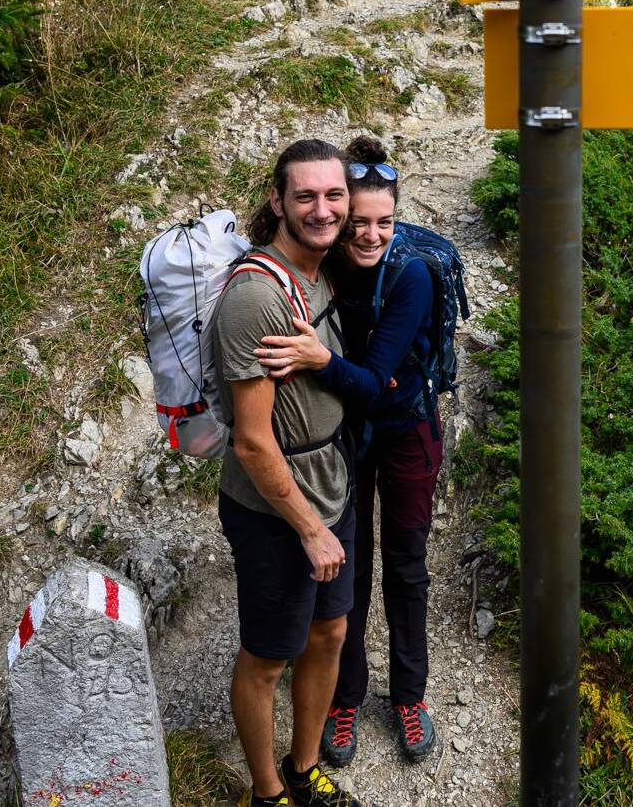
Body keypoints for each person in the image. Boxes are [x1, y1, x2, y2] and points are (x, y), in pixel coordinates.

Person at [253, 135, 443, 768]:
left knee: (407, 564)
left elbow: (367, 382)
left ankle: (409, 696)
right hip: (349, 437)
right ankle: (346, 694)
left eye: (384, 222)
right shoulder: (325, 265)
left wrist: (319, 358)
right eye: (357, 221)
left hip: (405, 428)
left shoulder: (410, 275)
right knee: (349, 565)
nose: (369, 235)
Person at [211, 138, 363, 807]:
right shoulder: (254, 296)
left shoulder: (321, 267)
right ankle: (267, 792)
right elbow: (250, 441)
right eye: (305, 195)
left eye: (334, 194)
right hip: (276, 512)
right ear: (277, 200)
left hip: (334, 487)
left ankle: (304, 771)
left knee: (330, 630)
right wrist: (308, 527)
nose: (322, 208)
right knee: (267, 657)